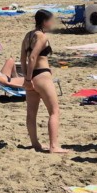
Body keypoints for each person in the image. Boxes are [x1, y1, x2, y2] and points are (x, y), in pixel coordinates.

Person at [20, 10, 66, 153]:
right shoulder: (42, 37)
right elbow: (33, 57)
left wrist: (27, 77)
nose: (52, 23)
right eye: (51, 20)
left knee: (31, 113)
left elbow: (23, 58)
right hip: (41, 76)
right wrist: (27, 79)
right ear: (45, 21)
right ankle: (53, 146)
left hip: (31, 75)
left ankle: (35, 144)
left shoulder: (28, 36)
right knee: (54, 111)